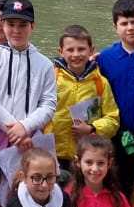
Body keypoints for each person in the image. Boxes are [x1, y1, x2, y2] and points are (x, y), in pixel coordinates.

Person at [0, 0, 58, 183]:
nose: (16, 30)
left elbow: (49, 104)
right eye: (11, 24)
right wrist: (14, 128)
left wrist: (26, 127)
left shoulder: (44, 64)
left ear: (33, 26)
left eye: (23, 25)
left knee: (27, 187)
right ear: (3, 24)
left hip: (30, 140)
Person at [94, 0, 134, 192]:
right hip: (116, 136)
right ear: (115, 27)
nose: (130, 28)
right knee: (115, 186)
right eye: (124, 23)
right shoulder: (105, 58)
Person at [50, 24, 119, 168]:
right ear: (61, 52)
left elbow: (112, 119)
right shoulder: (51, 78)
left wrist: (92, 128)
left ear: (91, 50)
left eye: (81, 49)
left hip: (85, 156)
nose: (76, 54)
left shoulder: (100, 83)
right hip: (51, 152)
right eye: (70, 50)